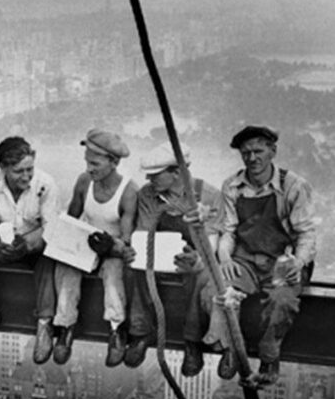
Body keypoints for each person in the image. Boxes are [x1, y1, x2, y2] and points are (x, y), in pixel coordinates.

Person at [200, 125, 317, 384]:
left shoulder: (293, 186)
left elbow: (306, 233)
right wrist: (225, 258)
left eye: (258, 151)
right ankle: (229, 348)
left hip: (283, 261)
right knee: (218, 290)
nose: (252, 158)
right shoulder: (232, 186)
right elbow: (228, 230)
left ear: (272, 151)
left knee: (281, 301)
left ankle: (269, 356)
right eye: (245, 153)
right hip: (246, 259)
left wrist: (298, 262)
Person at [120, 143, 222, 375]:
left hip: (194, 255)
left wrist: (196, 258)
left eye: (155, 175)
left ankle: (192, 341)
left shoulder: (209, 195)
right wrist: (137, 250)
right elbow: (145, 230)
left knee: (200, 273)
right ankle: (140, 332)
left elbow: (211, 245)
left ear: (177, 172)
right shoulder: (148, 194)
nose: (148, 179)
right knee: (135, 267)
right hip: (159, 251)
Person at [0, 136, 59, 359]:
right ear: (3, 168)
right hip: (5, 241)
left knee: (50, 256)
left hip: (35, 243)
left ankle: (45, 322)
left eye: (29, 169)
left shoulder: (46, 184)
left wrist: (27, 244)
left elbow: (50, 227)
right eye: (18, 171)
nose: (26, 176)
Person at [51, 128, 138, 366]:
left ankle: (116, 328)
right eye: (87, 162)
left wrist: (112, 245)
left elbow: (128, 238)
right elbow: (72, 217)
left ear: (114, 162)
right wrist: (67, 242)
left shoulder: (129, 192)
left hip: (112, 248)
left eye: (95, 164)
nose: (90, 168)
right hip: (87, 241)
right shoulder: (84, 181)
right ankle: (65, 326)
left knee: (112, 274)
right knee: (67, 268)